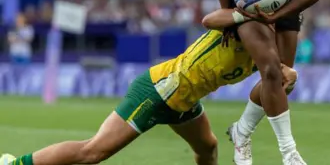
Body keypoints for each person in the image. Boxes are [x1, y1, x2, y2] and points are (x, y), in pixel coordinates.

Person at [2, 9, 297, 165]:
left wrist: (285, 79)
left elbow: (265, 89)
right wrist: (244, 14)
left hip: (185, 101)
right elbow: (211, 19)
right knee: (93, 153)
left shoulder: (266, 55)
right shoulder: (246, 28)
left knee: (208, 148)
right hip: (159, 90)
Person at [207, 0, 319, 165]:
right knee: (270, 71)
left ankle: (241, 131)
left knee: (283, 81)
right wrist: (228, 18)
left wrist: (275, 17)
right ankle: (289, 153)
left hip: (286, 3)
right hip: (246, 8)